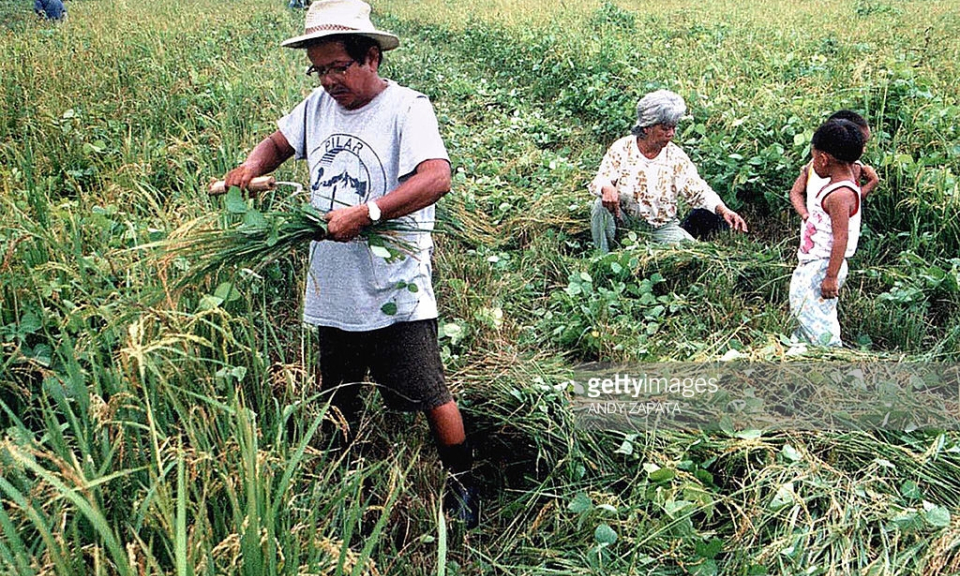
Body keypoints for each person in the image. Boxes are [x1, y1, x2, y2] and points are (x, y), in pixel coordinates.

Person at [221, 0, 479, 528]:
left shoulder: (408, 109)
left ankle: (461, 482)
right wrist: (249, 168)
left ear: (372, 59)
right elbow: (277, 143)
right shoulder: (316, 105)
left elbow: (436, 178)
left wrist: (369, 212)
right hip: (333, 282)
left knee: (428, 390)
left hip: (392, 284)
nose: (328, 80)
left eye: (338, 67)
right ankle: (343, 478)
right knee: (337, 390)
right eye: (318, 69)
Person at [589, 89, 748, 252]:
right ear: (646, 127)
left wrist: (724, 210)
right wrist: (606, 187)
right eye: (665, 129)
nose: (671, 134)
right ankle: (603, 259)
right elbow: (602, 178)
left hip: (661, 227)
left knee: (694, 254)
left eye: (673, 128)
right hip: (625, 221)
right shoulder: (623, 148)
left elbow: (699, 190)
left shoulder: (675, 157)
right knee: (600, 206)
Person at [788, 119, 865, 347]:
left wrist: (830, 276)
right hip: (817, 261)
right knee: (806, 308)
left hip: (823, 264)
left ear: (823, 158)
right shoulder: (840, 186)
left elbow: (842, 237)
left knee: (811, 310)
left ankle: (830, 352)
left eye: (813, 157)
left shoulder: (839, 194)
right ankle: (802, 347)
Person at [789, 109, 879, 221]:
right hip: (813, 234)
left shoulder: (856, 168)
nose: (864, 149)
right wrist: (805, 215)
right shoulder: (812, 166)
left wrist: (872, 183)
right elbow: (796, 192)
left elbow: (850, 199)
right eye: (862, 143)